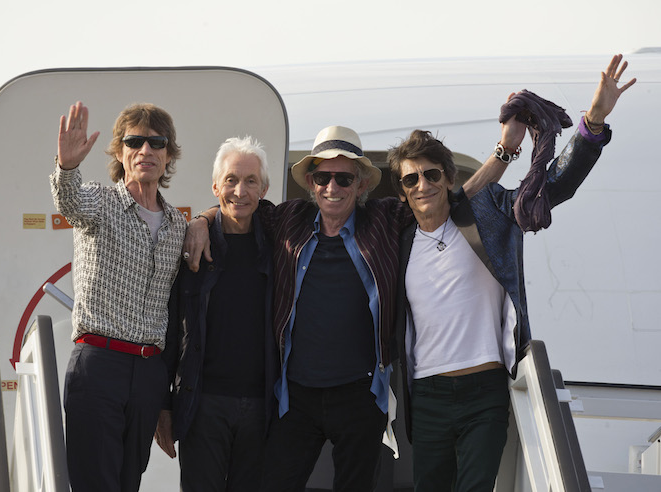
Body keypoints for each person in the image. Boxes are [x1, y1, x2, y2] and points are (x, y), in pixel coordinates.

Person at [186, 117, 526, 491]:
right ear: (311, 184)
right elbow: (238, 205)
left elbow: (453, 198)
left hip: (360, 396)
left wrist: (504, 152)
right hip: (296, 397)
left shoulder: (383, 218)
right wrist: (202, 219)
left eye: (344, 178)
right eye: (323, 178)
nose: (332, 187)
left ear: (361, 183)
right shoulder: (288, 220)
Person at [390, 54, 636, 492]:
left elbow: (552, 186)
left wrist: (593, 123)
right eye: (411, 180)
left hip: (483, 390)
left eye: (431, 175)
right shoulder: (399, 240)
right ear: (403, 190)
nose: (422, 185)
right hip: (426, 395)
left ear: (448, 179)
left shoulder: (485, 215)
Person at [50, 101, 187, 492]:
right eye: (135, 141)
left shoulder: (179, 224)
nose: (146, 150)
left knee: (128, 484)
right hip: (99, 366)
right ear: (121, 152)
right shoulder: (100, 202)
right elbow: (70, 201)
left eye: (156, 142)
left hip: (148, 374)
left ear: (167, 155)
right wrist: (67, 167)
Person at [154, 136, 278, 492]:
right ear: (215, 186)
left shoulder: (279, 245)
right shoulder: (191, 247)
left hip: (261, 407)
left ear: (264, 188)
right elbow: (170, 329)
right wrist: (164, 405)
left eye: (251, 181)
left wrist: (202, 218)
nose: (240, 191)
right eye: (231, 180)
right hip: (203, 404)